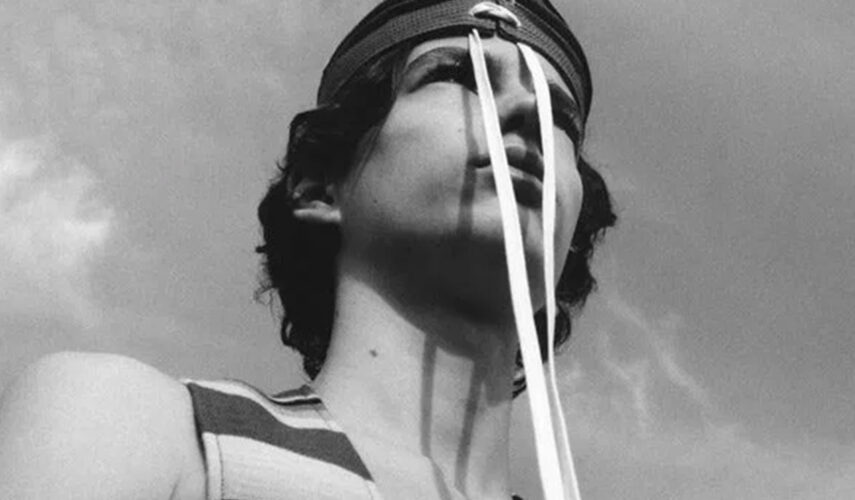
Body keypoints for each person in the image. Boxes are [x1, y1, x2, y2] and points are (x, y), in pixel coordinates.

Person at [0, 1, 615, 499]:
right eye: (456, 75)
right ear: (322, 185)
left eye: (560, 117)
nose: (529, 111)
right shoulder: (140, 430)